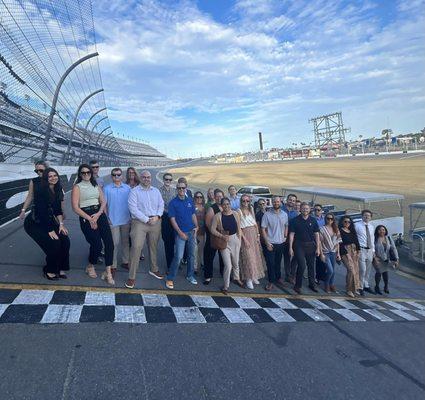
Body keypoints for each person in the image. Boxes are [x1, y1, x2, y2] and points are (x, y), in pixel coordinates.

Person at [71, 164, 114, 285]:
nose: (86, 175)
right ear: (80, 174)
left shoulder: (96, 185)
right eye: (83, 173)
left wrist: (99, 213)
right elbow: (75, 207)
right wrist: (90, 218)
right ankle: (90, 265)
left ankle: (108, 272)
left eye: (88, 172)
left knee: (109, 243)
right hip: (86, 215)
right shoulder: (77, 187)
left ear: (91, 173)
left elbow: (103, 201)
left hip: (99, 214)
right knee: (96, 244)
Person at [24, 167, 70, 280]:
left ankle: (60, 267)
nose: (53, 178)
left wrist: (61, 224)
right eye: (50, 176)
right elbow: (41, 212)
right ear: (45, 178)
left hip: (48, 219)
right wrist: (50, 230)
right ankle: (49, 270)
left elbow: (58, 209)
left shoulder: (58, 189)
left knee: (65, 240)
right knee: (54, 243)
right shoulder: (41, 190)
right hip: (35, 223)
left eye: (55, 175)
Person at [126, 170, 164, 288]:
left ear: (150, 179)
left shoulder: (156, 191)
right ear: (140, 178)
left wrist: (157, 216)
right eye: (144, 177)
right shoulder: (134, 191)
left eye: (148, 177)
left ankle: (153, 269)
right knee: (136, 248)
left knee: (153, 247)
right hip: (140, 222)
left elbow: (161, 205)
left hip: (155, 221)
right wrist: (146, 219)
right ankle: (131, 276)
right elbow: (133, 208)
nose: (146, 179)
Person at [165, 181, 198, 289]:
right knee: (178, 256)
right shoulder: (173, 203)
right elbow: (172, 220)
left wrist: (196, 226)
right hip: (181, 233)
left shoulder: (189, 201)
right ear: (176, 189)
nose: (181, 190)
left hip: (191, 232)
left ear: (186, 188)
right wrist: (180, 233)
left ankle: (190, 275)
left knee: (191, 256)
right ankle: (170, 278)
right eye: (179, 188)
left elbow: (193, 214)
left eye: (183, 188)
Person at [210, 197, 242, 295]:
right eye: (224, 204)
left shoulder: (236, 214)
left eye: (228, 204)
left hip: (235, 240)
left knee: (236, 263)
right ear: (221, 205)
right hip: (224, 242)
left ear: (230, 204)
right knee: (228, 265)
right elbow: (212, 229)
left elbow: (239, 227)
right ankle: (226, 286)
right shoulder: (217, 216)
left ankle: (236, 278)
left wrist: (239, 239)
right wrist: (222, 236)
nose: (226, 206)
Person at [104, 168, 131, 275]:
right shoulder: (107, 189)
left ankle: (125, 261)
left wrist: (131, 217)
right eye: (114, 175)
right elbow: (104, 205)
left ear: (122, 176)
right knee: (114, 243)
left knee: (125, 242)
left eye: (118, 175)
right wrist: (107, 217)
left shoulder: (128, 188)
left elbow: (132, 203)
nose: (116, 177)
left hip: (126, 220)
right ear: (111, 176)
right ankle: (113, 265)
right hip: (112, 220)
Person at [289, 202, 320, 294]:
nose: (305, 210)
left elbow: (317, 234)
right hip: (299, 245)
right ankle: (297, 286)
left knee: (311, 266)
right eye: (303, 208)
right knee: (302, 265)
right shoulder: (294, 220)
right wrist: (290, 248)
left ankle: (312, 284)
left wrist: (318, 247)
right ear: (300, 209)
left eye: (307, 208)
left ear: (310, 210)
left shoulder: (313, 220)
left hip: (311, 245)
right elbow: (291, 234)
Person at [261, 196, 288, 291]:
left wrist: (285, 237)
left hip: (280, 243)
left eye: (278, 201)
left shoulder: (284, 214)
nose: (276, 203)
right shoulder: (267, 215)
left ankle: (278, 278)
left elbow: (286, 225)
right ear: (272, 202)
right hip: (270, 243)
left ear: (280, 202)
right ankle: (271, 281)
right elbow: (263, 229)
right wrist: (267, 242)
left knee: (278, 262)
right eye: (274, 202)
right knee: (270, 263)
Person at [238, 194, 265, 289]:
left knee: (255, 256)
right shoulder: (239, 211)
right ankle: (248, 278)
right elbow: (239, 228)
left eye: (247, 201)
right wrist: (244, 239)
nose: (246, 203)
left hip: (253, 234)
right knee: (247, 257)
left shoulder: (251, 209)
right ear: (241, 202)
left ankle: (254, 276)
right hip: (245, 234)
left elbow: (255, 223)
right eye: (243, 201)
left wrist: (258, 235)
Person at [203, 189, 225, 285]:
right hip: (212, 235)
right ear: (214, 198)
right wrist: (214, 233)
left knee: (223, 255)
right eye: (217, 196)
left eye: (221, 196)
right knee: (209, 256)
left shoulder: (226, 207)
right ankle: (208, 276)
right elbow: (208, 223)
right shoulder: (212, 208)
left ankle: (223, 272)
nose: (219, 198)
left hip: (223, 235)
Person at [338, 216, 361, 298]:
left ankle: (355, 288)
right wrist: (346, 253)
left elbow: (356, 241)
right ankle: (349, 289)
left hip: (354, 251)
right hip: (345, 251)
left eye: (349, 222)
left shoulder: (352, 231)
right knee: (350, 270)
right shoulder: (340, 231)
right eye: (345, 221)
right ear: (342, 222)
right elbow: (340, 244)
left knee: (356, 270)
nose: (347, 223)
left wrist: (358, 251)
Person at [319, 212, 341, 293]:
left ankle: (331, 284)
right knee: (330, 270)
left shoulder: (336, 229)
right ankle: (327, 284)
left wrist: (338, 253)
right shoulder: (322, 229)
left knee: (333, 271)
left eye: (331, 219)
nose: (330, 220)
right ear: (325, 219)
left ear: (333, 220)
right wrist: (321, 254)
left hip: (333, 252)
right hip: (325, 252)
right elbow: (320, 243)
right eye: (328, 218)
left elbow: (338, 242)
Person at [373, 225, 399, 295]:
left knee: (385, 272)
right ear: (377, 231)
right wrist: (374, 257)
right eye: (380, 230)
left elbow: (394, 248)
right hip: (377, 258)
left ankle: (386, 286)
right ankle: (377, 287)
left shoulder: (388, 238)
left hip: (386, 259)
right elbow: (372, 248)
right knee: (379, 271)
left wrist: (397, 258)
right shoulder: (375, 238)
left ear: (385, 231)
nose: (382, 231)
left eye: (383, 230)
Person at [355, 210, 375, 295]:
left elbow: (372, 239)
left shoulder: (371, 226)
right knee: (362, 269)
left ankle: (366, 285)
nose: (367, 217)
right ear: (362, 216)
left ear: (371, 217)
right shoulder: (357, 225)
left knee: (368, 269)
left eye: (369, 216)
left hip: (369, 250)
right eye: (365, 215)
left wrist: (373, 250)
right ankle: (360, 286)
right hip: (361, 249)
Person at [159, 172, 176, 271]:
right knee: (167, 242)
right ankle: (169, 264)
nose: (168, 181)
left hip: (174, 218)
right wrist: (168, 212)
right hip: (165, 218)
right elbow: (159, 205)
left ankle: (174, 261)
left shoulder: (174, 191)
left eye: (170, 179)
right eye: (166, 179)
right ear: (163, 180)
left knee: (174, 241)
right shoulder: (159, 191)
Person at [282, 193, 299, 284]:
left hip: (293, 238)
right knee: (286, 257)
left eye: (293, 200)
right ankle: (288, 276)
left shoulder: (296, 213)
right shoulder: (281, 210)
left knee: (295, 257)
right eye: (290, 200)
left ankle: (291, 274)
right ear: (287, 200)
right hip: (282, 238)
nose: (291, 202)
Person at [193, 191, 206, 274]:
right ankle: (195, 268)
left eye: (201, 197)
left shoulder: (204, 208)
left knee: (200, 250)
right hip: (194, 231)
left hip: (202, 232)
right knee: (194, 250)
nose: (199, 198)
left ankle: (199, 264)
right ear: (195, 198)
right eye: (197, 197)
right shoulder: (192, 207)